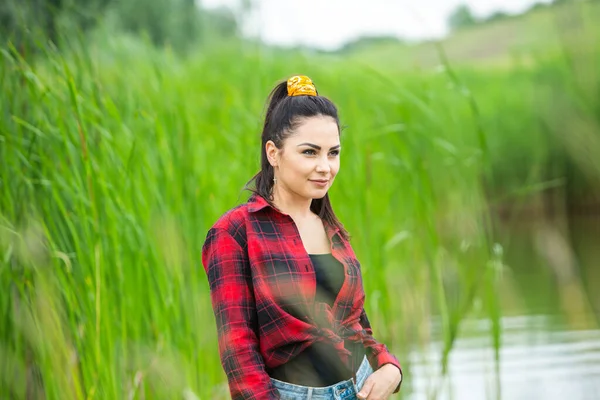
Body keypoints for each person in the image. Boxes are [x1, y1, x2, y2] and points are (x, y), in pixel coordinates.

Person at [202, 75, 403, 400]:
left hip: (361, 389)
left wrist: (390, 368)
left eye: (333, 153)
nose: (325, 167)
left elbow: (356, 328)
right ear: (274, 153)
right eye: (310, 152)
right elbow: (239, 354)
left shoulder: (332, 230)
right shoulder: (236, 232)